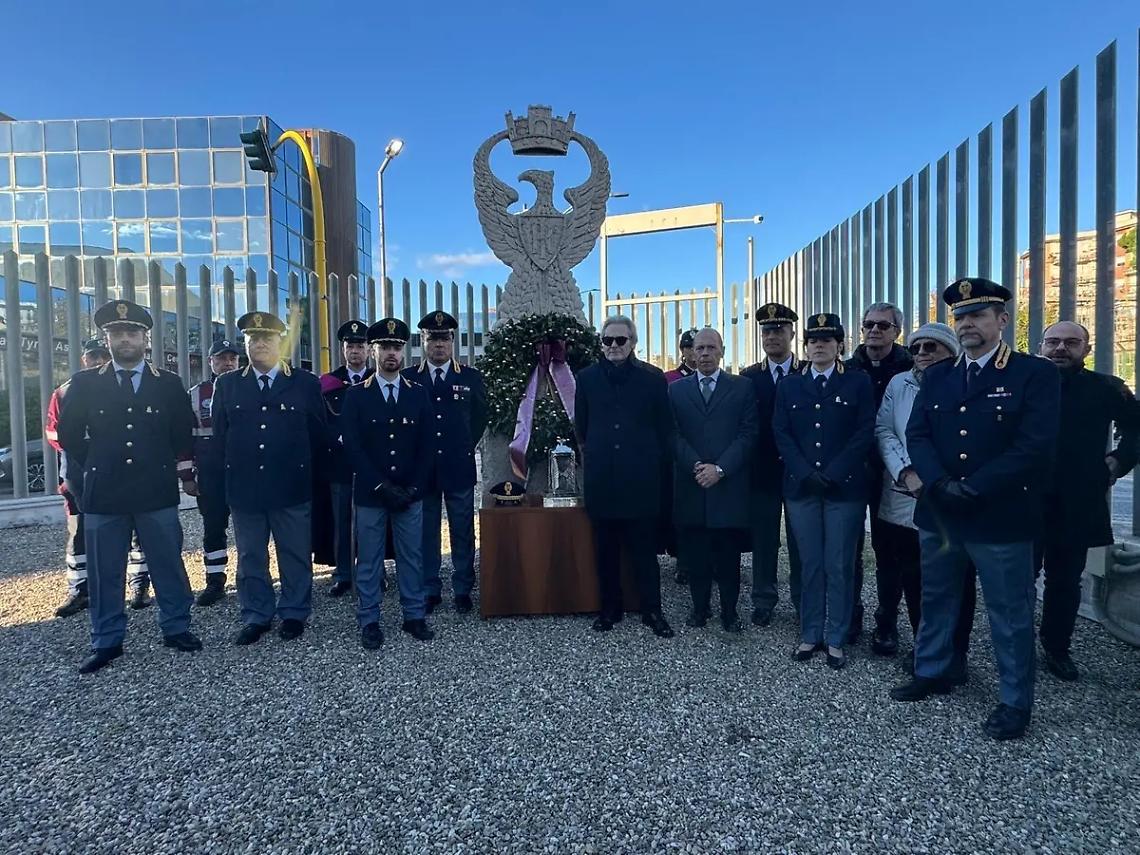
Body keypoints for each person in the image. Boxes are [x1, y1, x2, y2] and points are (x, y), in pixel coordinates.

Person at [893, 277, 1060, 741]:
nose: (967, 324)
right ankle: (933, 669)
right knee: (938, 597)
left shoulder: (1033, 374)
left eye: (978, 315)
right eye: (961, 317)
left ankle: (1014, 701)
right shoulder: (941, 374)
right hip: (944, 510)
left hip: (999, 513)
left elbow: (1035, 444)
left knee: (1009, 611)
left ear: (1001, 321)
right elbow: (918, 433)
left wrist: (979, 486)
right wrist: (940, 483)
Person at [57, 300, 202, 673]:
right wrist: (98, 460)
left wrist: (158, 463)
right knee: (106, 571)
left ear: (145, 339)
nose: (125, 340)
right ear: (107, 339)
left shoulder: (167, 384)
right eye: (117, 333)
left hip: (154, 489)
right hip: (105, 492)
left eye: (132, 333)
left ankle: (176, 628)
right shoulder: (85, 383)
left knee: (167, 563)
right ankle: (107, 640)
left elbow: (180, 432)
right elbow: (69, 434)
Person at [211, 311, 327, 645]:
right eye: (253, 339)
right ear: (245, 343)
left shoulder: (304, 382)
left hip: (291, 485)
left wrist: (312, 481)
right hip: (246, 488)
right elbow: (221, 437)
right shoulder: (228, 384)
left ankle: (294, 611)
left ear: (280, 342)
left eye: (267, 338)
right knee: (250, 557)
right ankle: (256, 614)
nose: (260, 343)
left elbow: (317, 435)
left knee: (293, 553)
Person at [1035, 321, 1140, 681]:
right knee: (1018, 578)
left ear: (1087, 349)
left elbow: (1137, 426)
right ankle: (1015, 646)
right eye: (1053, 342)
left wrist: (1120, 460)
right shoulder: (1022, 381)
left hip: (1077, 500)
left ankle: (1056, 647)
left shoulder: (1106, 387)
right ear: (1041, 345)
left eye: (1071, 342)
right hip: (1023, 499)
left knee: (1064, 581)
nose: (1061, 348)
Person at [773, 312, 875, 669]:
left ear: (840, 345)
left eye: (827, 340)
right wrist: (804, 471)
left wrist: (833, 472)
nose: (819, 345)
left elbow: (864, 431)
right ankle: (810, 632)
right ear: (806, 346)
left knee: (839, 563)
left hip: (842, 488)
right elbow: (781, 433)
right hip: (801, 488)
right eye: (813, 340)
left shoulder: (858, 383)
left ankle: (836, 636)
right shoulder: (790, 385)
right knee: (810, 563)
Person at [874, 322, 976, 672]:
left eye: (931, 347)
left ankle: (956, 652)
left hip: (948, 494)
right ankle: (924, 648)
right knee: (912, 575)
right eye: (916, 348)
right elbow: (885, 430)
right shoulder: (898, 383)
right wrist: (905, 471)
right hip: (903, 492)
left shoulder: (966, 382)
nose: (921, 355)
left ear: (951, 351)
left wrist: (934, 478)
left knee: (958, 581)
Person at [574, 314, 674, 638]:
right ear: (601, 344)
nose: (614, 346)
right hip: (603, 478)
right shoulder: (586, 379)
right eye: (608, 340)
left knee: (645, 552)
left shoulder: (653, 379)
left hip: (641, 479)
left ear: (633, 343)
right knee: (605, 551)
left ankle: (652, 610)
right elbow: (582, 426)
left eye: (621, 340)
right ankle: (610, 610)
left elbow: (664, 429)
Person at [342, 318, 435, 646]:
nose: (391, 353)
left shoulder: (418, 394)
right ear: (372, 350)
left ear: (404, 351)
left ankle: (414, 615)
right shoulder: (356, 396)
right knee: (369, 559)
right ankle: (369, 619)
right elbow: (352, 447)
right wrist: (380, 486)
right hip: (372, 492)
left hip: (409, 492)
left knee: (412, 556)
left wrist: (413, 487)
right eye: (384, 347)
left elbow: (427, 446)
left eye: (396, 347)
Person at [47, 339, 153, 617]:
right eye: (92, 356)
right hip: (78, 476)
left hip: (122, 475)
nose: (97, 360)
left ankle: (139, 584)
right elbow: (55, 433)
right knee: (79, 534)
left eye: (102, 355)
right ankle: (79, 589)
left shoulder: (124, 386)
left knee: (135, 533)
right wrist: (91, 455)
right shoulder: (65, 391)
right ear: (84, 359)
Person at [669, 328, 758, 632]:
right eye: (699, 348)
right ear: (691, 353)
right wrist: (696, 464)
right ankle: (699, 609)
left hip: (727, 485)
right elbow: (673, 434)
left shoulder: (742, 387)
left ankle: (730, 612)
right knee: (696, 554)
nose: (704, 353)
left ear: (722, 351)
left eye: (710, 347)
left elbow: (748, 434)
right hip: (692, 484)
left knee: (728, 556)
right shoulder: (676, 390)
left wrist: (720, 469)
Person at [403, 310, 488, 614]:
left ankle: (463, 587)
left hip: (457, 465)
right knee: (425, 531)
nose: (438, 345)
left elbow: (480, 417)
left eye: (444, 338)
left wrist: (464, 444)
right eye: (432, 338)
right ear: (422, 341)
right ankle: (430, 588)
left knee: (462, 529)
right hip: (423, 470)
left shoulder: (469, 377)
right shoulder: (409, 378)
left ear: (452, 341)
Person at [845, 302, 913, 646]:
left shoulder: (911, 366)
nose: (874, 330)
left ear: (896, 331)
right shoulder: (846, 368)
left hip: (897, 475)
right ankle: (850, 615)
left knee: (890, 551)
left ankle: (886, 621)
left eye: (883, 326)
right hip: (854, 472)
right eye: (868, 324)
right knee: (850, 548)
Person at [741, 302, 804, 626]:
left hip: (800, 472)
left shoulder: (807, 372)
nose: (772, 336)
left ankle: (801, 601)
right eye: (766, 331)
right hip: (762, 471)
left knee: (800, 539)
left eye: (778, 330)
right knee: (763, 540)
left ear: (792, 333)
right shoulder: (749, 377)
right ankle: (763, 598)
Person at [320, 319, 374, 598]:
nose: (355, 350)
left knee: (372, 522)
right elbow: (321, 422)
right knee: (342, 522)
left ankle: (373, 572)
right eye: (350, 345)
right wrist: (337, 439)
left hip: (373, 465)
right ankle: (343, 575)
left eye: (361, 345)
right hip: (340, 464)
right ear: (343, 349)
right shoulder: (329, 382)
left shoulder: (378, 379)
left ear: (369, 349)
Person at [187, 338, 240, 606]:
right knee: (213, 528)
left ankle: (250, 577)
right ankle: (215, 581)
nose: (228, 363)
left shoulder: (247, 387)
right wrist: (186, 475)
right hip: (210, 473)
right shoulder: (196, 394)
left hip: (244, 471)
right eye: (221, 358)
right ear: (211, 362)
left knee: (248, 529)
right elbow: (185, 437)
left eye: (232, 358)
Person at [664, 328, 700, 585]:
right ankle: (685, 562)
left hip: (711, 456)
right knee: (683, 514)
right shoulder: (669, 379)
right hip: (679, 457)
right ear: (684, 351)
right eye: (690, 347)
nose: (695, 353)